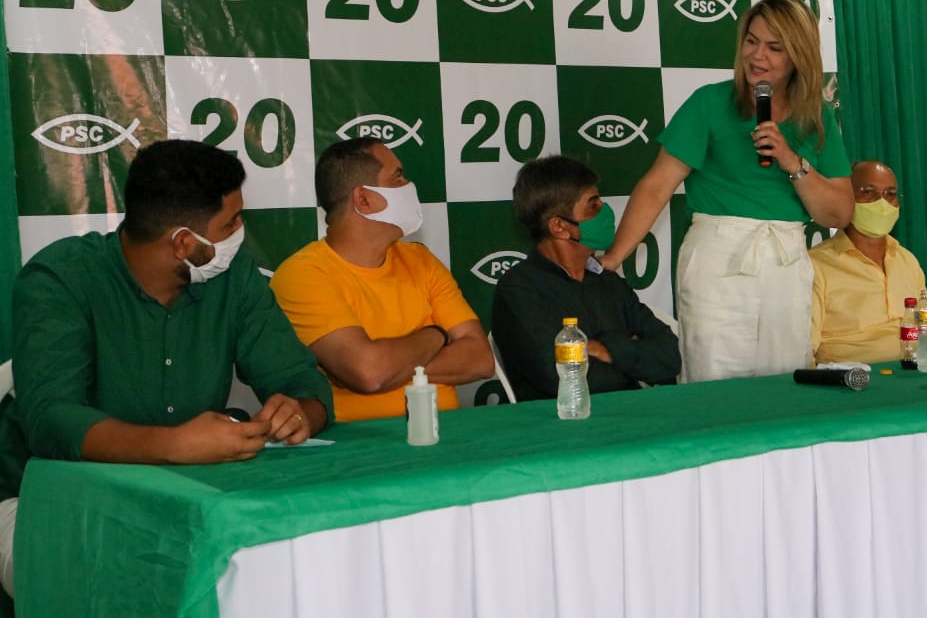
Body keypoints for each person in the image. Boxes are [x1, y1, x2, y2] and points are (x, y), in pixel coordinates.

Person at [0, 140, 333, 597]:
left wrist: (299, 412)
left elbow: (303, 381)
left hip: (190, 499)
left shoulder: (233, 274)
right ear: (184, 243)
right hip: (52, 502)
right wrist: (174, 445)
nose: (241, 231)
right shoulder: (60, 278)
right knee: (131, 587)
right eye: (232, 222)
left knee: (282, 577)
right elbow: (52, 421)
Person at [600, 0, 853, 382]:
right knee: (713, 381)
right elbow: (657, 186)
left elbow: (838, 213)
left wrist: (793, 163)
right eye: (751, 41)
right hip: (717, 261)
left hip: (785, 264)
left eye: (774, 47)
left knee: (784, 383)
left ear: (799, 56)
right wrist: (615, 257)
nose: (757, 56)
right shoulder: (709, 102)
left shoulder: (818, 118)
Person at [271, 137, 493, 421]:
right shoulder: (302, 275)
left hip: (445, 433)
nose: (409, 185)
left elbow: (480, 359)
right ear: (364, 199)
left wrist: (392, 366)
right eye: (397, 177)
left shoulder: (421, 260)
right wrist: (437, 334)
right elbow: (369, 373)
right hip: (361, 443)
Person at [492, 156, 681, 401]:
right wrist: (633, 353)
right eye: (593, 206)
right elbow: (563, 379)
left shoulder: (607, 281)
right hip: (562, 422)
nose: (606, 210)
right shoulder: (519, 290)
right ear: (559, 227)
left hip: (631, 414)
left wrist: (608, 349)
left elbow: (671, 356)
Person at [809, 160, 926, 365]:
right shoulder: (817, 265)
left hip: (912, 372)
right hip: (850, 378)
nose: (881, 203)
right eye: (868, 192)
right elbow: (803, 349)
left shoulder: (907, 260)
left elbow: (926, 328)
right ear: (845, 198)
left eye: (890, 194)